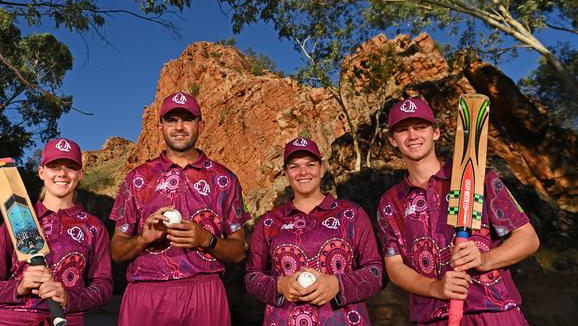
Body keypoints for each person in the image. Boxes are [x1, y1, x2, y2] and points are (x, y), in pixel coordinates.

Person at [376, 97, 540, 325]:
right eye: (403, 130)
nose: (413, 136)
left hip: (494, 311)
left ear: (436, 132)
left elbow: (528, 238)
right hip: (433, 318)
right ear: (393, 140)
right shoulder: (390, 202)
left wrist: (485, 260)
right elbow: (394, 268)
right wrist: (436, 288)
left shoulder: (479, 177)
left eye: (420, 127)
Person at [110, 91, 250, 326]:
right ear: (160, 127)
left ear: (201, 125)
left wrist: (207, 240)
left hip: (204, 292)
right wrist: (143, 239)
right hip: (146, 293)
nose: (179, 127)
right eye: (171, 120)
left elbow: (238, 253)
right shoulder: (136, 179)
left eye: (187, 119)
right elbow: (117, 251)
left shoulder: (225, 179)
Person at [0, 138, 113, 325]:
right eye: (54, 166)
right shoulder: (16, 220)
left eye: (70, 167)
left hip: (66, 319)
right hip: (11, 319)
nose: (62, 173)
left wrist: (69, 297)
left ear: (80, 174)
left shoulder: (94, 227)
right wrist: (18, 288)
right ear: (41, 172)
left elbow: (104, 287)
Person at [245, 137, 384, 325]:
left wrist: (338, 284)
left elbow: (377, 273)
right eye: (294, 166)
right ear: (286, 173)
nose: (303, 172)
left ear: (321, 168)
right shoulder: (269, 222)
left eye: (310, 164)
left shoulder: (351, 215)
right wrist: (279, 285)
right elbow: (252, 277)